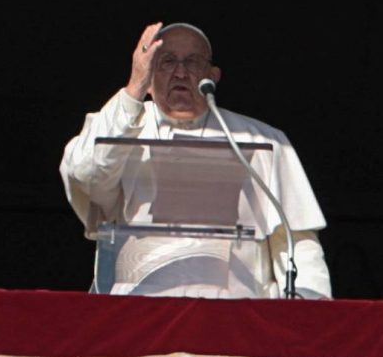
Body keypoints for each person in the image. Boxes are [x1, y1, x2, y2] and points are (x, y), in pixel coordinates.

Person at [60, 21, 332, 299]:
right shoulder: (117, 129)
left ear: (212, 76)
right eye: (166, 62)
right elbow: (85, 173)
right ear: (148, 75)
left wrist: (310, 318)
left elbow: (296, 243)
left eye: (192, 62)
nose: (180, 72)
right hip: (141, 317)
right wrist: (133, 89)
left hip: (235, 321)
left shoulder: (263, 141)